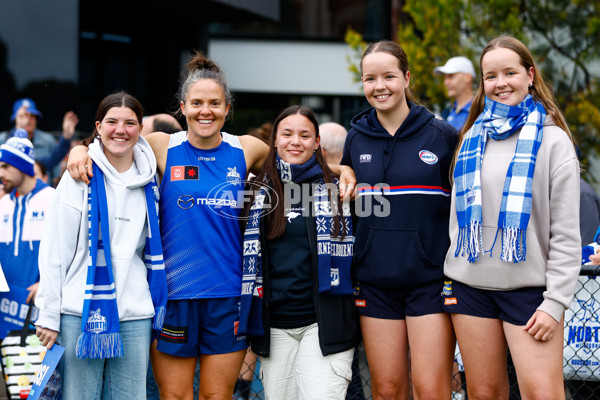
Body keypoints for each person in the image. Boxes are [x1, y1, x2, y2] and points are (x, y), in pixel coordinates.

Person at [442, 35, 581, 399]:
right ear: (482, 82)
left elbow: (566, 235)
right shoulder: (471, 136)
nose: (500, 83)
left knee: (542, 394)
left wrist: (555, 304)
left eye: (510, 72)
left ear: (530, 74)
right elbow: (457, 220)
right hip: (470, 287)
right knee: (485, 393)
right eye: (491, 76)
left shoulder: (554, 141)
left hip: (530, 294)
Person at [341, 40, 458, 399]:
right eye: (370, 78)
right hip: (374, 284)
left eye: (389, 76)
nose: (380, 86)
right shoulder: (356, 138)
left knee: (430, 388)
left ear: (406, 78)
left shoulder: (443, 136)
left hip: (429, 283)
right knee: (388, 389)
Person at [34, 91, 168, 400]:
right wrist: (49, 314)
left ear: (140, 129)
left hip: (134, 312)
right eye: (112, 122)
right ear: (98, 125)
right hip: (78, 312)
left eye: (130, 123)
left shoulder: (152, 180)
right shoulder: (79, 175)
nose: (120, 130)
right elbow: (56, 249)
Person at [238, 105, 360, 399]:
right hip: (275, 327)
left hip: (324, 325)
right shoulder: (255, 193)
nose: (296, 141)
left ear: (317, 142)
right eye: (287, 134)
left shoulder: (341, 190)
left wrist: (343, 168)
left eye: (305, 135)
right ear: (275, 140)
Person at [0, 129, 55, 308]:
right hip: (5, 305)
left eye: (5, 166)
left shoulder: (52, 199)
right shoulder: (4, 203)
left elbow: (68, 253)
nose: (1, 174)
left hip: (40, 304)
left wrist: (47, 284)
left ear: (22, 165)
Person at [1, 98, 79, 181]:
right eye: (23, 116)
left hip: (41, 189)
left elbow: (50, 162)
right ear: (15, 119)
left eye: (32, 116)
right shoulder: (3, 139)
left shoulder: (47, 139)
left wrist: (66, 137)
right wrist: (20, 129)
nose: (28, 120)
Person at [434, 56, 476, 131]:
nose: (446, 82)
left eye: (451, 76)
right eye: (445, 77)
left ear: (468, 77)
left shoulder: (482, 111)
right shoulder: (446, 113)